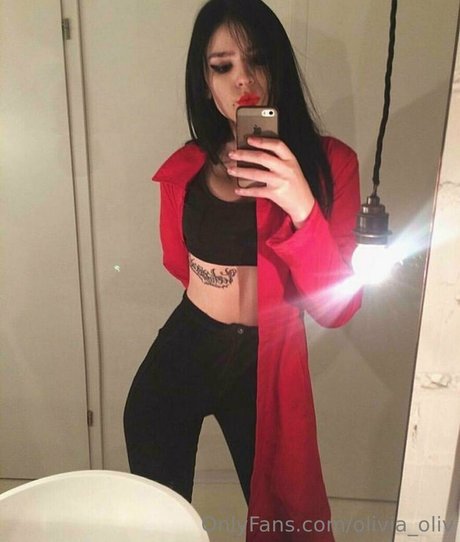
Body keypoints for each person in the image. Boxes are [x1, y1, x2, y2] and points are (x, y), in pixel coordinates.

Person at [123, 1, 363, 540]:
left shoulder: (331, 165)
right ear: (205, 82)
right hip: (185, 347)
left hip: (266, 362)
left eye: (257, 60)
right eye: (222, 66)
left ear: (279, 66)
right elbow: (176, 262)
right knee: (159, 519)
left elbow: (338, 309)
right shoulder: (185, 169)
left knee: (285, 517)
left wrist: (300, 203)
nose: (243, 80)